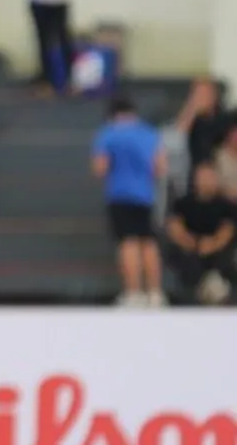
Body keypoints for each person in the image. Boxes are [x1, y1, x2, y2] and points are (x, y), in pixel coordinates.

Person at [91, 96, 167, 308]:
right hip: (145, 195)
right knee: (148, 242)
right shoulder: (149, 133)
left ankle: (133, 292)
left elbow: (100, 168)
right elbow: (160, 167)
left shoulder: (108, 133)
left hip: (120, 195)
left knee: (128, 242)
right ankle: (155, 293)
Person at [167, 161, 235, 304]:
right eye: (202, 177)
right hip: (190, 248)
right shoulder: (183, 203)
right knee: (184, 259)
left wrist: (211, 245)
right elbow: (175, 227)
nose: (206, 181)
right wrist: (192, 244)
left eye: (209, 176)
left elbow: (227, 231)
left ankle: (217, 289)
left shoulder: (226, 205)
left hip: (219, 249)